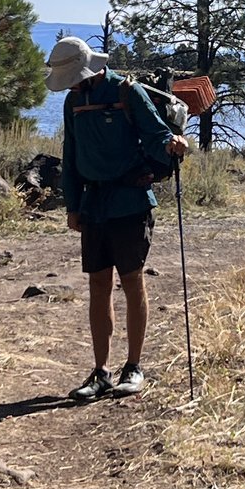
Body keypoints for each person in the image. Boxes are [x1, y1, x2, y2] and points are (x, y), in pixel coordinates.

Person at [49, 35, 189, 400]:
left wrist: (174, 145)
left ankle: (134, 366)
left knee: (131, 281)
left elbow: (158, 134)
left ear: (88, 68)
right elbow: (71, 151)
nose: (72, 84)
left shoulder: (127, 92)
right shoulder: (73, 100)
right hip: (93, 204)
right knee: (98, 285)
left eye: (73, 77)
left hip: (130, 202)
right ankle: (101, 372)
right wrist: (72, 205)